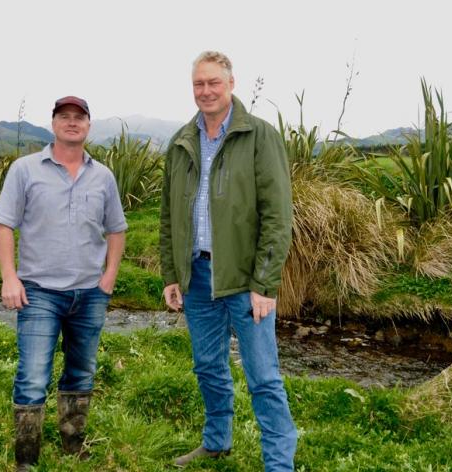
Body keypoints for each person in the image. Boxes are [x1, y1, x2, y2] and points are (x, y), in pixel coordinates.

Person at [159, 51, 297, 471]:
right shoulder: (182, 141)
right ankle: (217, 441)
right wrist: (172, 274)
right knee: (208, 367)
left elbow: (278, 215)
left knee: (264, 377)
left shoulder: (259, 135)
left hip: (245, 280)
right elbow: (169, 216)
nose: (206, 91)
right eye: (199, 84)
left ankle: (279, 464)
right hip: (197, 277)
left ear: (231, 84)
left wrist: (265, 283)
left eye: (213, 82)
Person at [0, 96, 127, 470]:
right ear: (53, 124)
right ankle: (27, 459)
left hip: (89, 294)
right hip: (39, 291)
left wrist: (109, 275)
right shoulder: (25, 169)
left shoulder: (103, 176)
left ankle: (73, 445)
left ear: (88, 126)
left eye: (79, 117)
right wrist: (9, 276)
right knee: (33, 375)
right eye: (64, 117)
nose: (72, 122)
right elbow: (3, 224)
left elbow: (116, 229)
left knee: (81, 371)